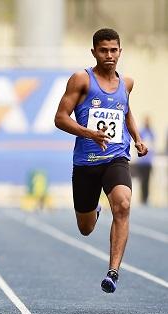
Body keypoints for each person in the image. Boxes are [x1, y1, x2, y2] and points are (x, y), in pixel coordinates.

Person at [54, 28, 148, 293]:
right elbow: (60, 117)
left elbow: (125, 110)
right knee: (85, 228)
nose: (109, 55)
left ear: (120, 51)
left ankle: (113, 271)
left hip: (116, 157)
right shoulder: (81, 80)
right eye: (104, 50)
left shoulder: (126, 83)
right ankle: (93, 210)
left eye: (114, 50)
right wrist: (89, 133)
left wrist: (137, 138)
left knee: (123, 204)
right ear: (94, 51)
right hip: (86, 162)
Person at [134, 116, 155, 205]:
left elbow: (153, 145)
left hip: (148, 161)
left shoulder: (152, 132)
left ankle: (146, 198)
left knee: (147, 180)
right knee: (142, 180)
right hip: (141, 161)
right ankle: (142, 198)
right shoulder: (141, 132)